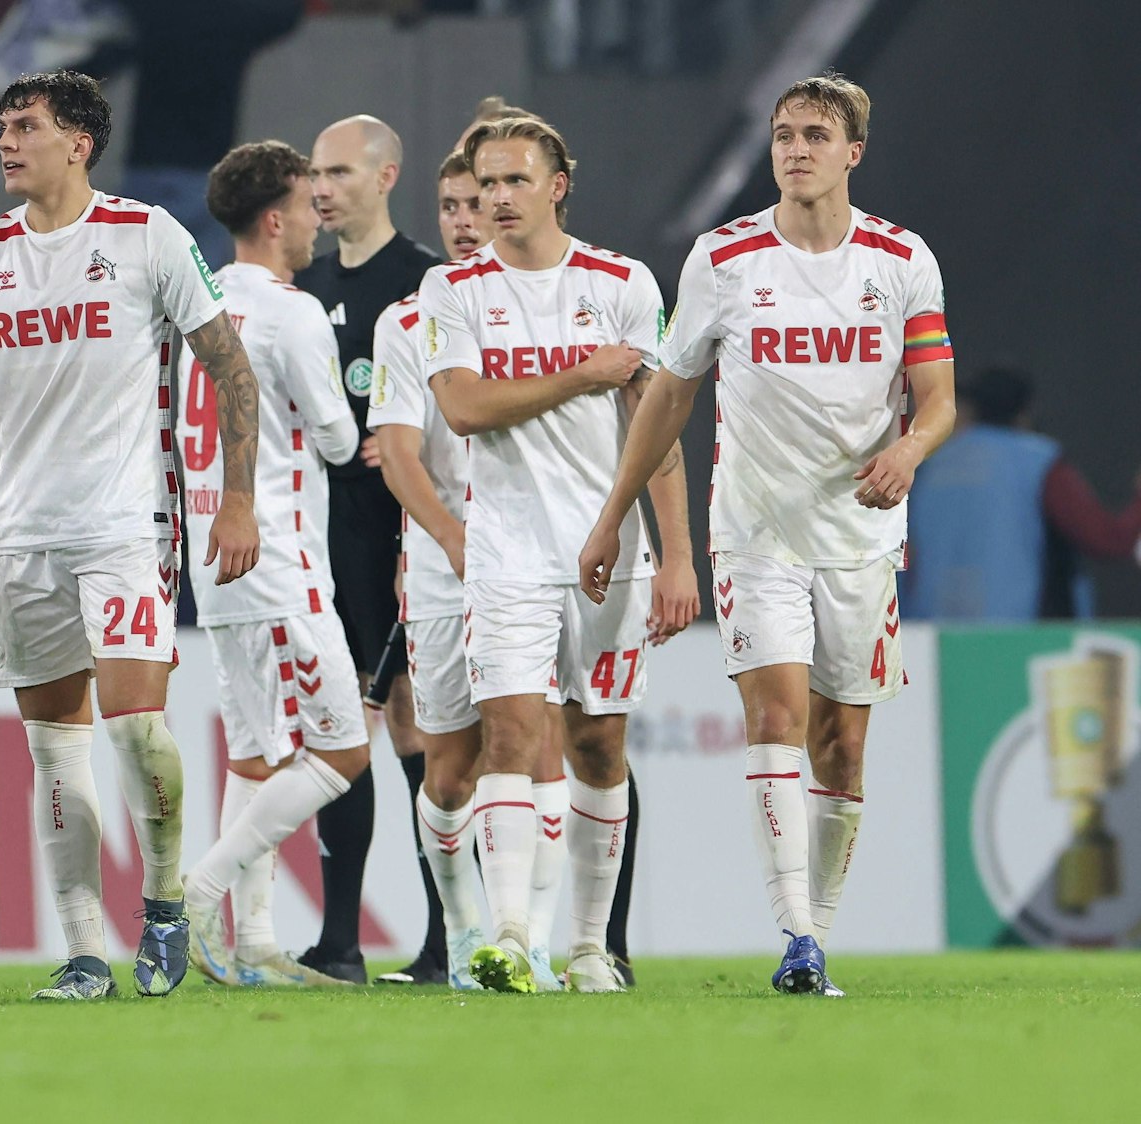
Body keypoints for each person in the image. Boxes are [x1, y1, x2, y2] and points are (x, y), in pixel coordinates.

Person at [580, 74, 955, 996]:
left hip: (862, 538)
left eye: (815, 135)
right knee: (775, 719)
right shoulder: (724, 257)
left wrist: (908, 449)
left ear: (852, 151)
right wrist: (613, 512)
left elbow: (937, 401)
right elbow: (669, 391)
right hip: (755, 532)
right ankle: (796, 938)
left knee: (842, 747)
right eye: (784, 134)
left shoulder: (900, 259)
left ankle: (814, 929)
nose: (794, 149)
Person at [0, 70, 262, 1001]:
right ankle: (85, 952)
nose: (6, 143)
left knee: (138, 730)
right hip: (23, 535)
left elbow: (230, 367)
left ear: (79, 142)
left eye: (26, 127)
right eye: (1, 128)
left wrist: (237, 499)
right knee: (55, 750)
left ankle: (168, 902)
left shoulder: (146, 237)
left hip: (125, 522)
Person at [422, 114, 698, 993]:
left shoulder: (622, 282)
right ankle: (508, 937)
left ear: (556, 185)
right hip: (503, 552)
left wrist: (679, 556)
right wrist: (583, 372)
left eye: (512, 181)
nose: (496, 199)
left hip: (607, 551)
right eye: (484, 184)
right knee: (508, 732)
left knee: (596, 747)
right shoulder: (453, 292)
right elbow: (464, 409)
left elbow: (657, 431)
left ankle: (587, 948)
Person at [172, 141, 370, 988]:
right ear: (275, 217)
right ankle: (195, 893)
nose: (317, 219)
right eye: (306, 200)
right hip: (276, 556)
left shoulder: (196, 305)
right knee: (342, 751)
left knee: (257, 757)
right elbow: (336, 437)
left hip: (212, 557)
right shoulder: (290, 313)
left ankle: (251, 943)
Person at [293, 114, 445, 985]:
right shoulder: (305, 288)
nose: (322, 187)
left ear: (386, 176)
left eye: (340, 172)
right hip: (325, 538)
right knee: (339, 729)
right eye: (315, 173)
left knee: (417, 727)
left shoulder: (426, 284)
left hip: (404, 532)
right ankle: (340, 943)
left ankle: (442, 938)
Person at [367, 146, 489, 989]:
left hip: (550, 563)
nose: (462, 220)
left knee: (568, 742)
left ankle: (588, 945)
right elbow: (398, 451)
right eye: (448, 206)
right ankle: (459, 940)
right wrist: (440, 541)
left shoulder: (576, 304)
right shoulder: (408, 321)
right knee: (443, 760)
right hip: (446, 564)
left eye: (476, 202)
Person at [906, 366, 1141, 620]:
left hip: (928, 640)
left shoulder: (927, 465)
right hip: (1020, 643)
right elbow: (1108, 540)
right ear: (1025, 413)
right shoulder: (1039, 464)